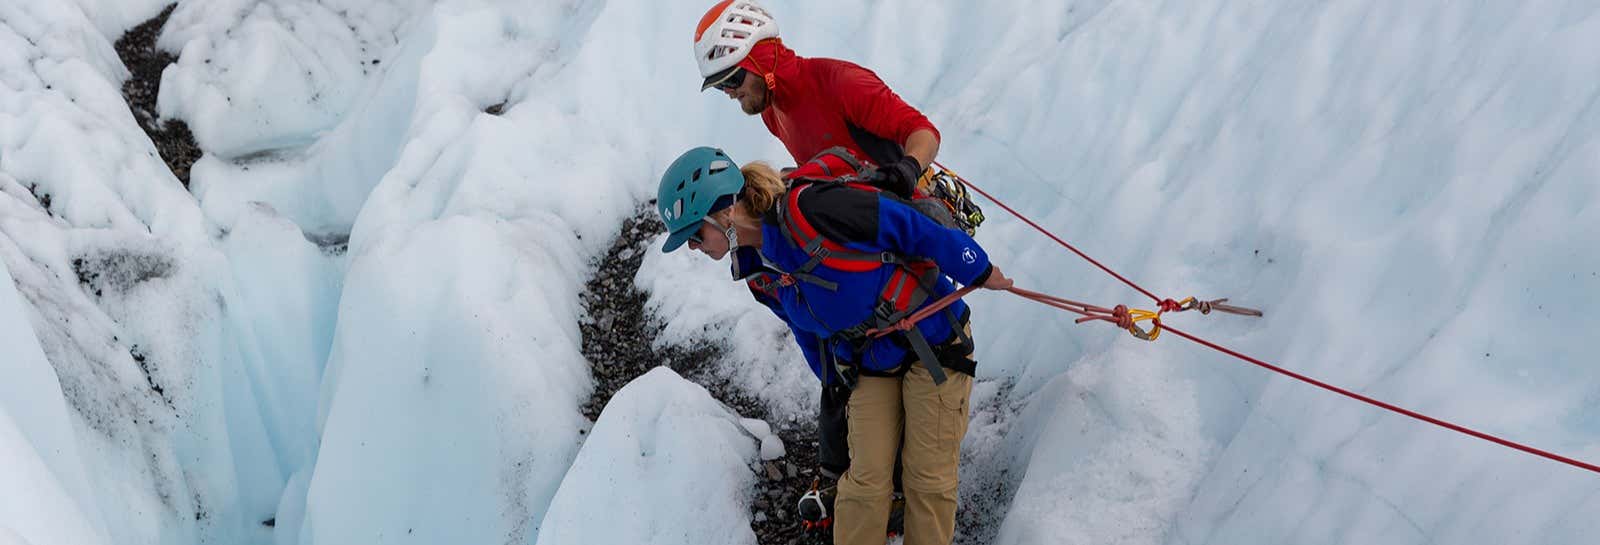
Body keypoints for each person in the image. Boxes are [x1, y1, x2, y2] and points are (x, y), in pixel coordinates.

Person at [656, 147, 1012, 545]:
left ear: (723, 213)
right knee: (864, 483)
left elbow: (911, 227)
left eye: (693, 235)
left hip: (935, 342)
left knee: (926, 481)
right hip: (871, 358)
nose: (693, 247)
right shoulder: (757, 272)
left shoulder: (814, 209)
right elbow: (807, 331)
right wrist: (834, 383)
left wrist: (976, 267)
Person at [693, 0, 940, 199]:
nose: (729, 92)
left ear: (763, 60)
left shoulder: (840, 82)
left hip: (915, 212)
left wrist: (907, 170)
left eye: (732, 80)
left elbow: (923, 132)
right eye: (719, 86)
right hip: (868, 223)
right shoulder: (771, 112)